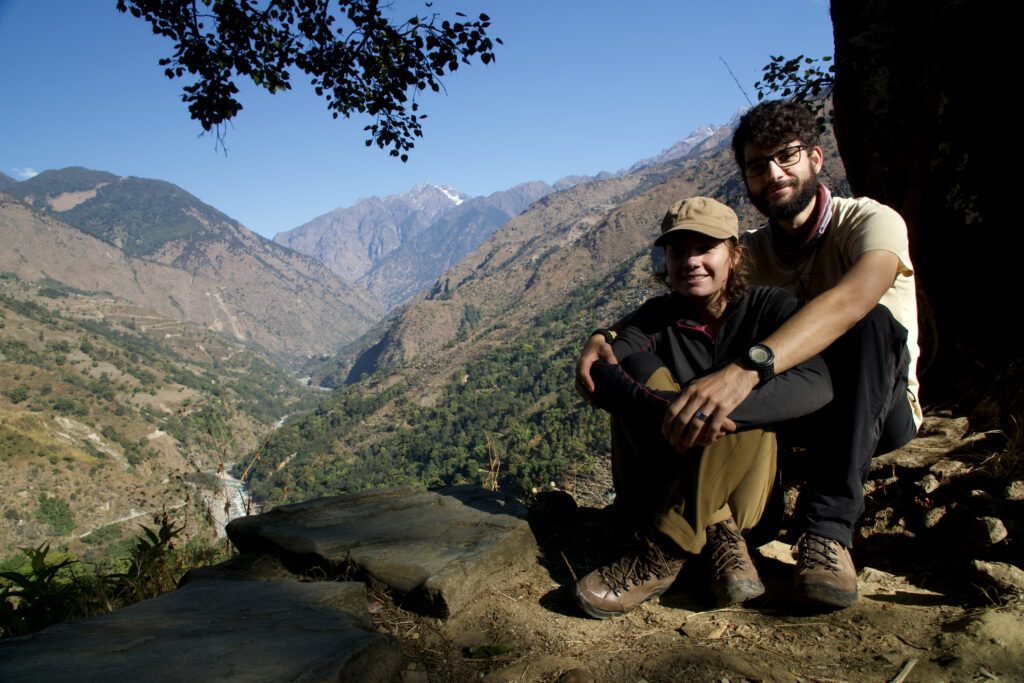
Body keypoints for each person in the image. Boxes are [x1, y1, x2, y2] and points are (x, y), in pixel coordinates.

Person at [576, 100, 921, 609]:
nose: (774, 174)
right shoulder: (751, 250)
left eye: (787, 157)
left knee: (869, 324)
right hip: (795, 411)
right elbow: (675, 304)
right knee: (685, 369)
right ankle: (720, 531)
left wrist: (745, 370)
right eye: (758, 166)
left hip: (873, 408)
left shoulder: (870, 222)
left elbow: (851, 301)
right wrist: (604, 335)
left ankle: (826, 530)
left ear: (817, 158)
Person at [572, 196, 832, 620]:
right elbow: (604, 373)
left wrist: (719, 401)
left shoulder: (771, 309)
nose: (690, 261)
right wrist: (676, 410)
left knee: (743, 396)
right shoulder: (659, 315)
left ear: (734, 254)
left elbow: (817, 382)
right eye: (678, 251)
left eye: (705, 248)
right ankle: (716, 532)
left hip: (749, 495)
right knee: (639, 365)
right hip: (661, 485)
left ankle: (665, 552)